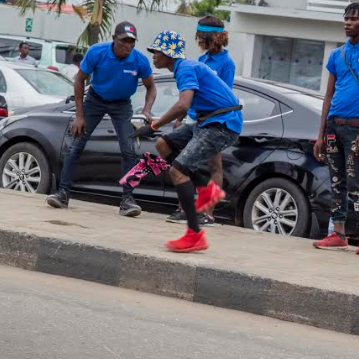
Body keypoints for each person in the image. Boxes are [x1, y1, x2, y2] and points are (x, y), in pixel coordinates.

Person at [135, 30, 243, 252]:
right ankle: (205, 188)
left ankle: (195, 235)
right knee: (163, 144)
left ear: (169, 54)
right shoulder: (185, 68)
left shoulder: (184, 68)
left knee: (177, 171)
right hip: (209, 121)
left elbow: (183, 104)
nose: (153, 55)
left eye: (157, 51)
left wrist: (154, 125)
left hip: (221, 124)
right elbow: (190, 103)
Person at [46, 21, 157, 217]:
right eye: (124, 41)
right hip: (95, 101)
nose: (128, 46)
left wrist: (147, 109)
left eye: (132, 42)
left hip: (121, 104)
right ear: (114, 39)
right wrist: (80, 115)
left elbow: (151, 87)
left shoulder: (139, 60)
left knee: (129, 149)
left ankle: (127, 200)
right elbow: (79, 79)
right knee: (77, 144)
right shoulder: (97, 52)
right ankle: (63, 193)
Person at [312, 2, 359, 256]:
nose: (347, 22)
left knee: (356, 181)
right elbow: (328, 95)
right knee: (337, 182)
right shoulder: (337, 55)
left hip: (357, 129)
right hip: (334, 126)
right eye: (345, 18)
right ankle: (339, 234)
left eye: (353, 18)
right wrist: (321, 134)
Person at [166, 15, 236, 227]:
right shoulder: (201, 61)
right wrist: (180, 118)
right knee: (185, 162)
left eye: (200, 37)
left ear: (210, 37)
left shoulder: (226, 63)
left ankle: (208, 213)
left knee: (215, 165)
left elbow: (225, 95)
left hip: (215, 122)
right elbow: (191, 93)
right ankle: (183, 208)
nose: (198, 41)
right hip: (197, 120)